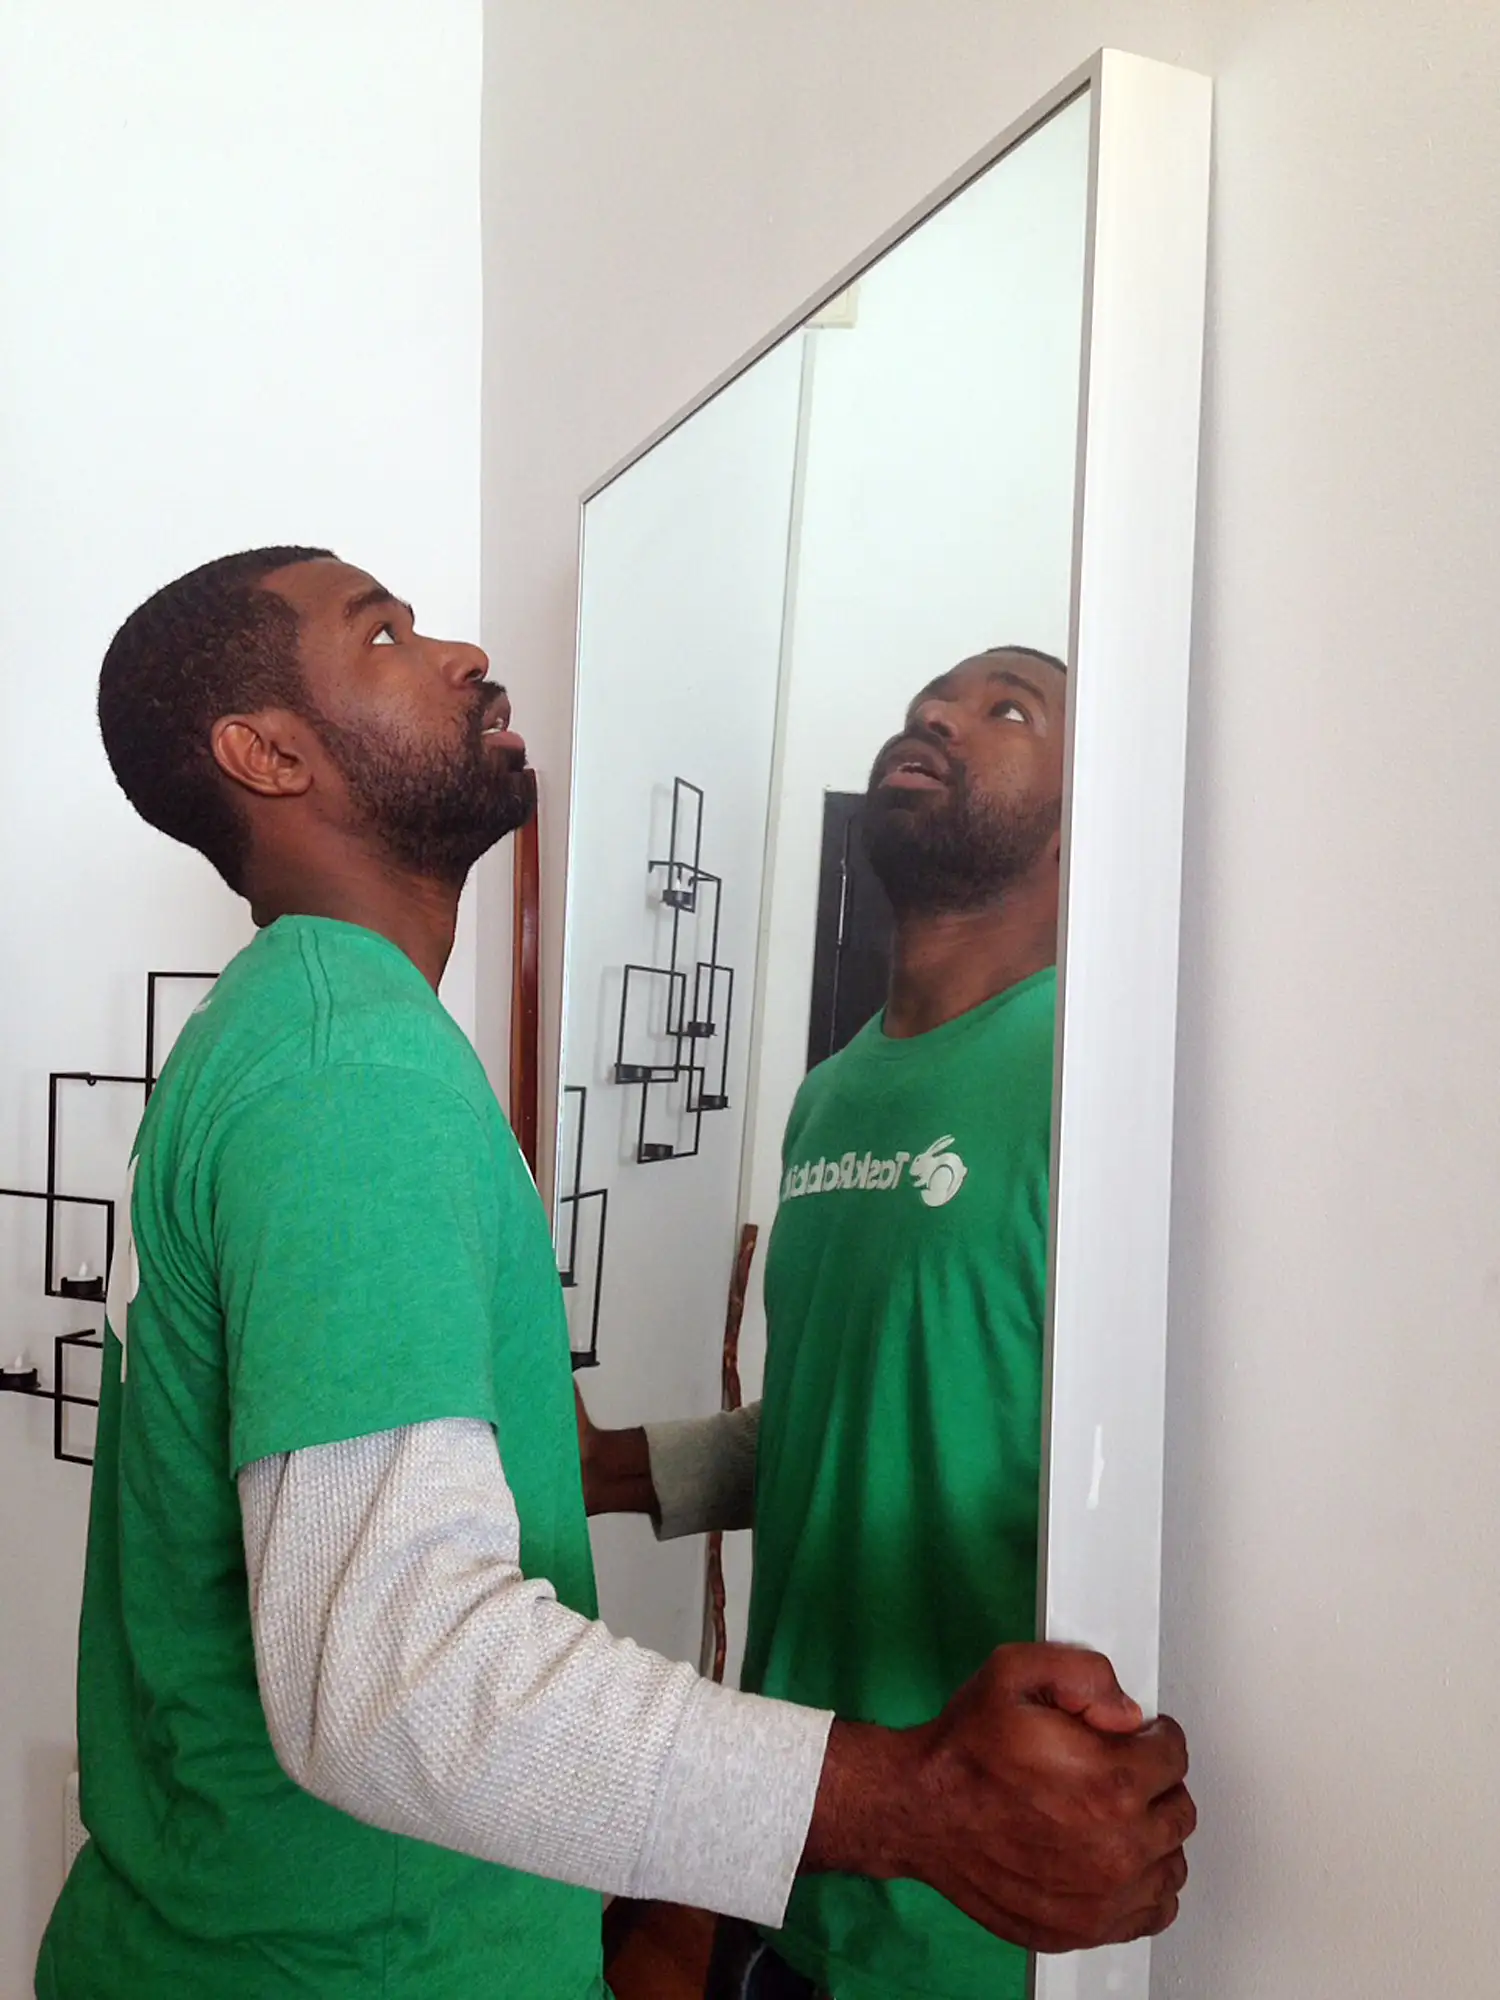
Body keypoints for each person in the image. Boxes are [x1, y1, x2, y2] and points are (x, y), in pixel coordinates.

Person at [38, 552, 1193, 2000]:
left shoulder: (297, 1034)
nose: (461, 652)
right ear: (268, 756)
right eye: (384, 635)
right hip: (347, 1965)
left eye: (1008, 708)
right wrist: (914, 1801)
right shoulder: (352, 1065)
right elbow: (393, 1672)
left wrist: (604, 1467)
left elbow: (892, 1406)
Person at [579, 646, 1102, 2000]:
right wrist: (603, 1469)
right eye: (933, 700)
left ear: (1082, 815)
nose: (937, 715)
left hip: (971, 1902)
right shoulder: (831, 1094)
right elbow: (848, 1407)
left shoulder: (1088, 1079)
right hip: (794, 1836)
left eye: (1008, 708)